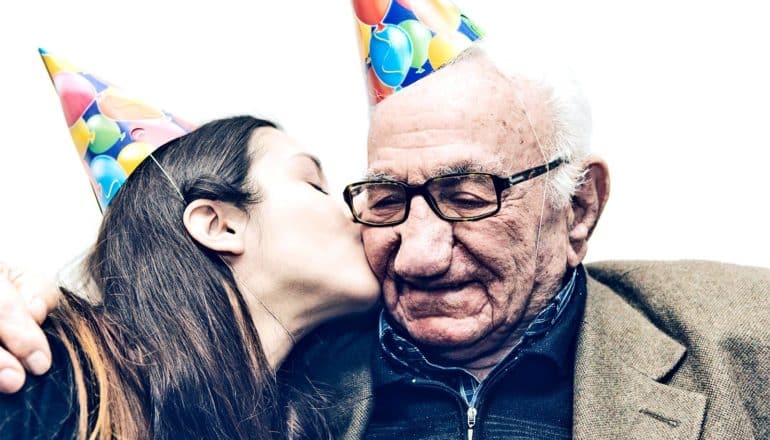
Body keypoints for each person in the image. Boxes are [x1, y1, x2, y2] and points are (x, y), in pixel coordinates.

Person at [3, 2, 770, 439]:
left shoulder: (740, 337)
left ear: (578, 208)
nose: (419, 253)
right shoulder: (78, 380)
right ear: (218, 225)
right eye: (385, 200)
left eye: (470, 196)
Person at [0, 114, 380, 439]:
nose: (358, 207)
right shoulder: (51, 372)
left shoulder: (320, 413)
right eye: (314, 184)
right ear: (219, 225)